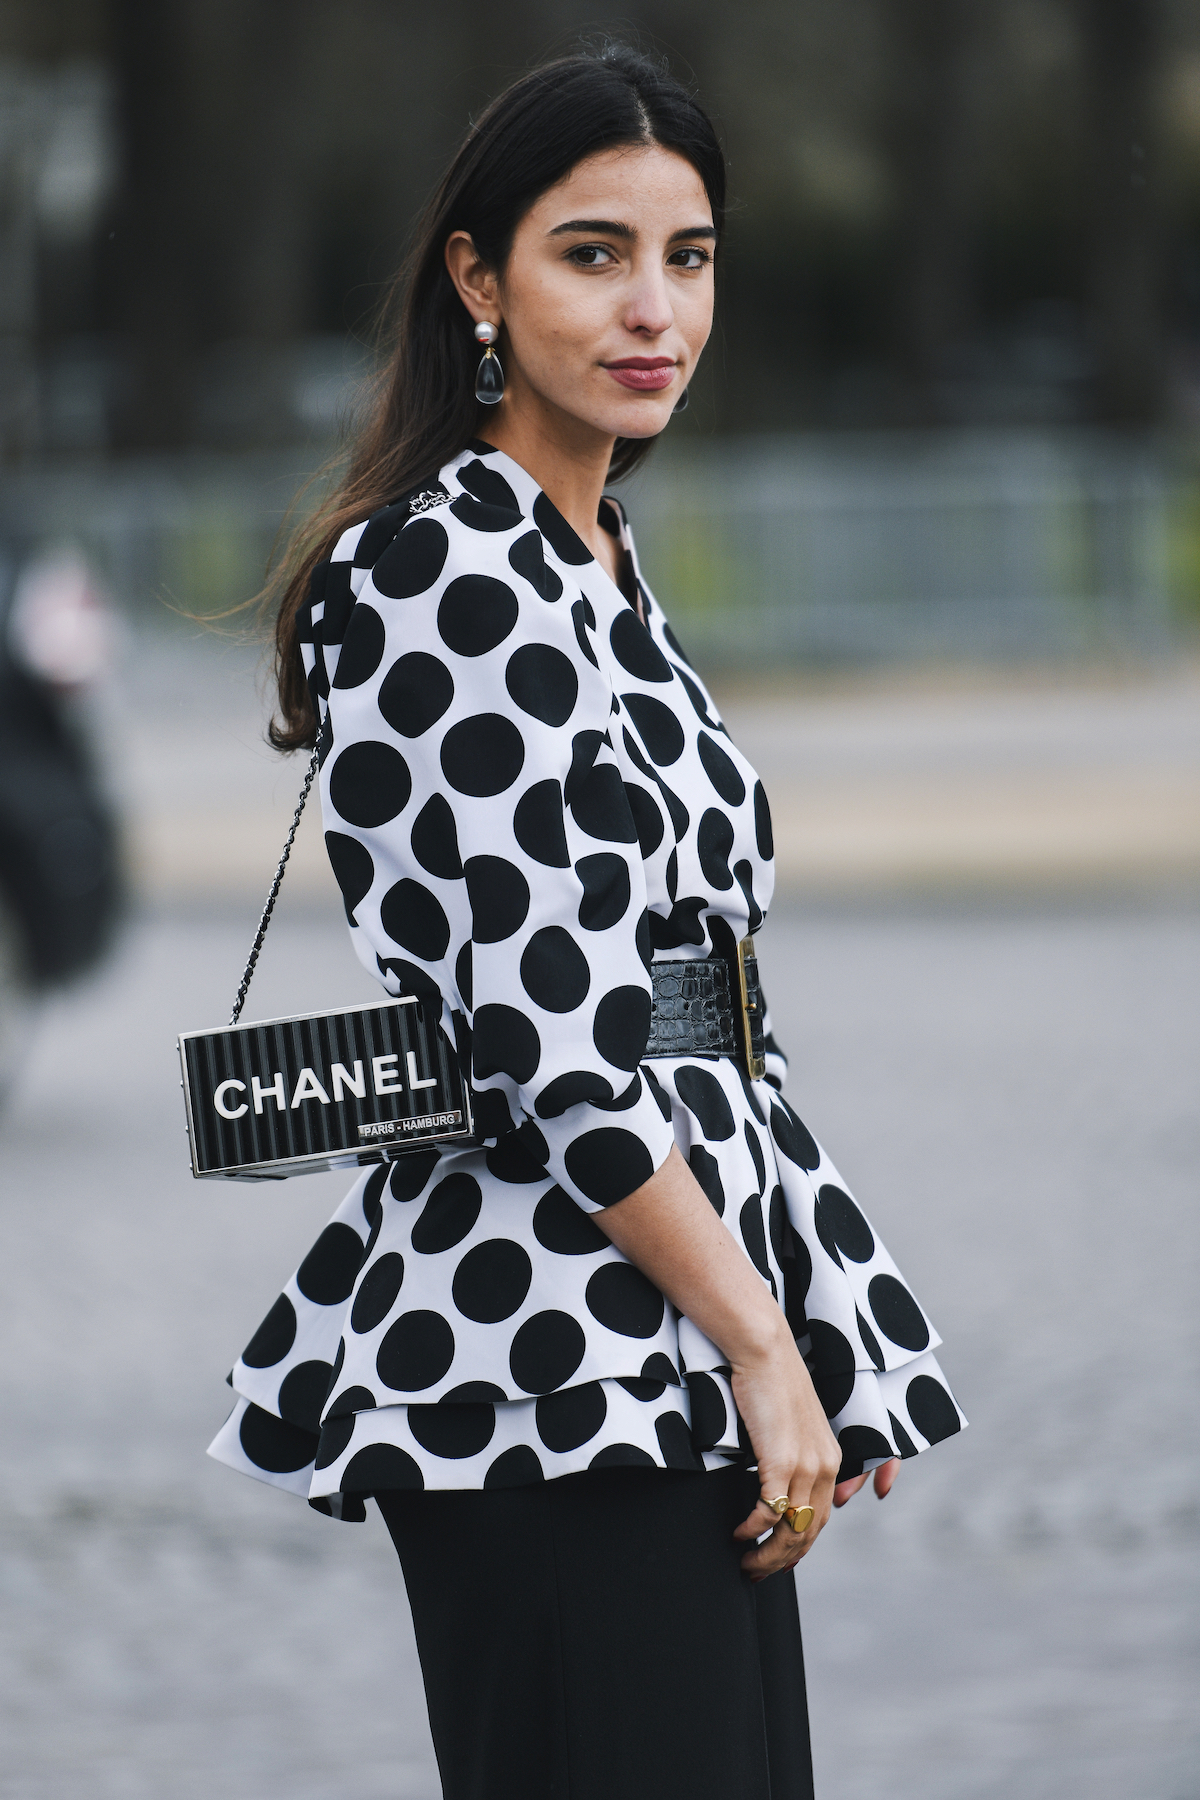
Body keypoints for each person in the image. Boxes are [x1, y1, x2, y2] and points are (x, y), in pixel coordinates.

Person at [208, 43, 965, 1800]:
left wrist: (805, 1312)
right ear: (477, 279)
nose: (654, 309)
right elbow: (561, 1046)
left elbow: (703, 1008)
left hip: (653, 1339)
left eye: (688, 257)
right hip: (548, 1360)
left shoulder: (588, 551)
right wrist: (766, 1347)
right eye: (593, 252)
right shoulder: (449, 570)